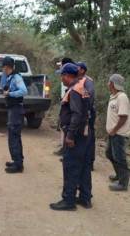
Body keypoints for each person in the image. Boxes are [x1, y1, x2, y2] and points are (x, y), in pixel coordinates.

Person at [50, 63, 92, 211]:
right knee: (83, 167)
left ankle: (68, 201)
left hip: (76, 135)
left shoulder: (74, 91)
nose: (61, 78)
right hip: (84, 133)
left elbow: (76, 114)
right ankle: (85, 198)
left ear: (68, 76)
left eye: (62, 75)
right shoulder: (82, 87)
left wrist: (70, 135)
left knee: (70, 166)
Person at [2, 56, 28, 174]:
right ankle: (16, 161)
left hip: (16, 110)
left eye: (4, 67)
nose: (3, 70)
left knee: (14, 136)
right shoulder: (10, 77)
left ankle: (18, 165)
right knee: (13, 136)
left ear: (7, 67)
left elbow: (23, 91)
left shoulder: (16, 77)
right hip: (13, 109)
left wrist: (10, 94)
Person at [106, 74, 130, 191]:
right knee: (109, 154)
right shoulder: (114, 96)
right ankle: (119, 175)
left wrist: (114, 130)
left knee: (120, 157)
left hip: (119, 133)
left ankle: (123, 183)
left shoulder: (122, 97)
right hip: (113, 133)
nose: (107, 84)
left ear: (113, 83)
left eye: (109, 82)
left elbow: (123, 117)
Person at [54, 57, 75, 157]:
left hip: (68, 106)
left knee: (66, 128)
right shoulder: (68, 79)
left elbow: (77, 113)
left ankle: (66, 149)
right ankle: (64, 148)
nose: (61, 78)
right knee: (63, 127)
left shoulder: (75, 88)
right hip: (65, 103)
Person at [76, 62, 96, 171]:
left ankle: (90, 161)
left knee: (89, 136)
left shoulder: (88, 81)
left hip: (88, 113)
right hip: (81, 113)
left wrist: (85, 110)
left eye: (77, 67)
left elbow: (89, 96)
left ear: (82, 70)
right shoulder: (77, 80)